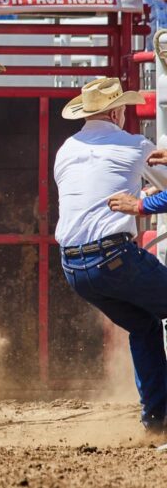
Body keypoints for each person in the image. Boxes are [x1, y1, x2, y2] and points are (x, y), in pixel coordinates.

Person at [53, 77, 167, 436]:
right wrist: (145, 199)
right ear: (117, 111)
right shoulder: (135, 145)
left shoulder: (66, 150)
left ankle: (157, 420)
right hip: (113, 257)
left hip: (73, 267)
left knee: (144, 325)